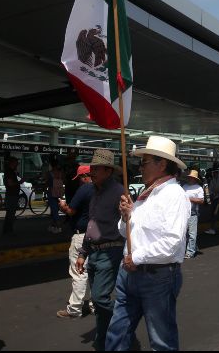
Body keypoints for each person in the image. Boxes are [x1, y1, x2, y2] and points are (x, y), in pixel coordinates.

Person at [106, 136, 191, 351]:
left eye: (144, 163)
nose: (140, 167)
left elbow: (172, 243)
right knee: (117, 332)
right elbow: (126, 233)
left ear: (162, 164)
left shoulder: (175, 195)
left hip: (157, 276)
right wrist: (126, 217)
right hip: (128, 273)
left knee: (161, 340)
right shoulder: (145, 196)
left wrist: (135, 257)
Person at [73, 150, 125, 351]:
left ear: (108, 170)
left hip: (111, 252)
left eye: (96, 169)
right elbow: (92, 225)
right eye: (91, 168)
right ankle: (103, 340)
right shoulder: (95, 192)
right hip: (94, 253)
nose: (92, 172)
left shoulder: (119, 191)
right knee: (99, 306)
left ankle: (124, 318)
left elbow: (130, 223)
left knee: (99, 298)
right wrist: (83, 253)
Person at [57, 165, 93, 319]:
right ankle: (95, 304)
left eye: (79, 178)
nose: (78, 182)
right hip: (98, 234)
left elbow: (71, 211)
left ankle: (75, 308)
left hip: (81, 235)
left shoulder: (84, 189)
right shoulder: (102, 189)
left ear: (84, 176)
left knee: (79, 271)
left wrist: (63, 206)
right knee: (93, 272)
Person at [183, 169, 205, 259]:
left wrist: (189, 199)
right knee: (185, 233)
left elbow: (201, 200)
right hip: (184, 212)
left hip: (193, 212)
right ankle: (191, 248)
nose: (190, 179)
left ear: (195, 179)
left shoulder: (199, 188)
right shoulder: (184, 186)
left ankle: (190, 252)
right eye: (190, 177)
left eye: (192, 178)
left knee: (192, 233)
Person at [204, 165, 219, 235]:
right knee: (214, 214)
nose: (214, 174)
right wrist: (214, 193)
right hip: (215, 199)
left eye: (215, 172)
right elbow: (210, 190)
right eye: (213, 173)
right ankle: (213, 229)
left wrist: (217, 193)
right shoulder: (212, 180)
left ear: (218, 172)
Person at [2, 156, 23, 235]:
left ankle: (8, 229)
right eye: (16, 163)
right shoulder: (9, 172)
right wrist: (20, 182)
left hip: (12, 195)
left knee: (10, 213)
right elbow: (10, 183)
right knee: (10, 213)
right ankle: (8, 230)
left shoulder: (10, 171)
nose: (17, 165)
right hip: (11, 195)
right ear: (13, 163)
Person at [47, 161, 65, 233]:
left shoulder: (50, 173)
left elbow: (47, 183)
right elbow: (64, 180)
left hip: (52, 193)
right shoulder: (61, 173)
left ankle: (58, 226)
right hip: (59, 193)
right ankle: (53, 225)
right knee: (56, 210)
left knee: (54, 210)